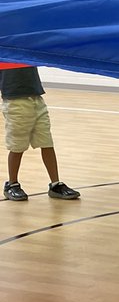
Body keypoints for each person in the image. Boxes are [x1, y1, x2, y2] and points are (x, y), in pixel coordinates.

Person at [1, 65, 80, 201]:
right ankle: (12, 184)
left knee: (47, 142)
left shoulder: (28, 47)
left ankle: (55, 184)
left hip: (37, 99)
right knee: (17, 146)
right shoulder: (6, 49)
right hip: (15, 101)